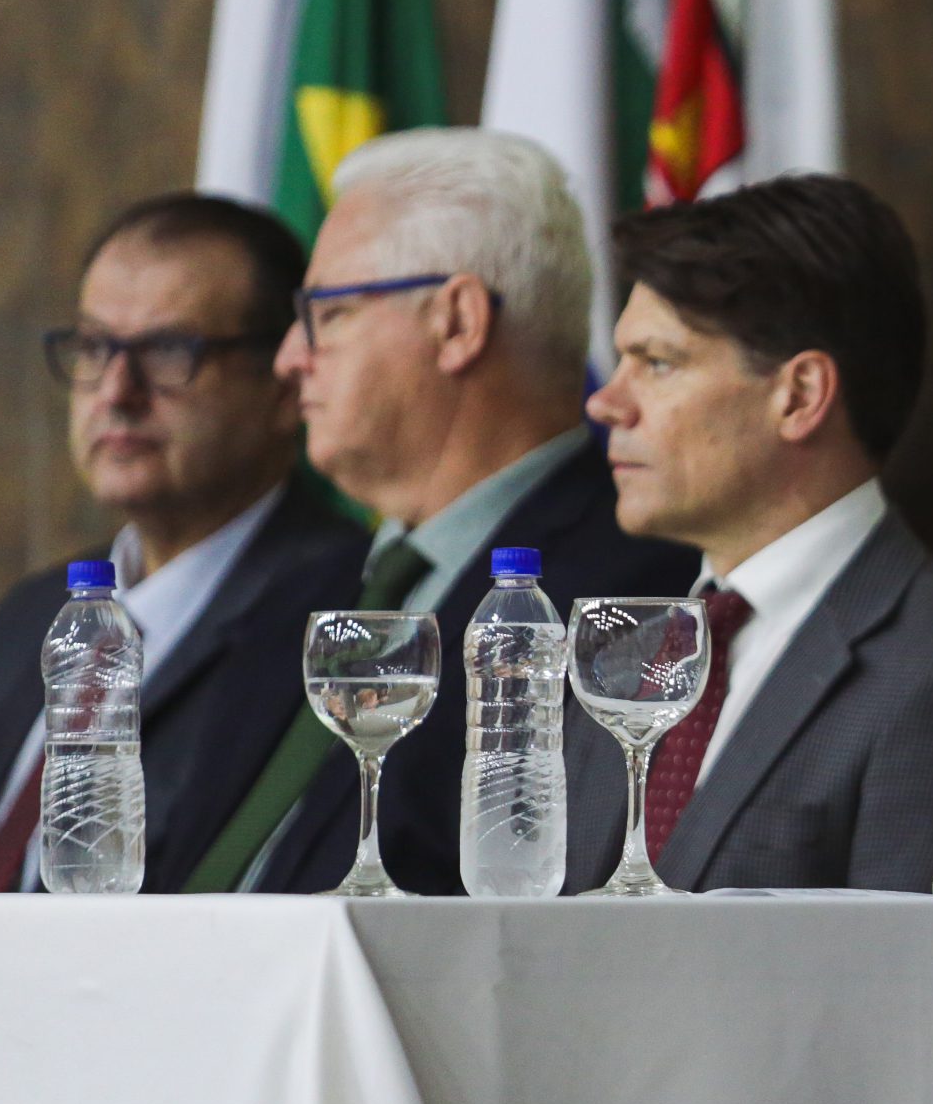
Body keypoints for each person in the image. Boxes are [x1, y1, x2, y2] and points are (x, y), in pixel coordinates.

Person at [188, 129, 698, 896]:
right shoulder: (299, 588)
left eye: (329, 311)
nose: (290, 356)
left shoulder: (629, 600)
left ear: (457, 322)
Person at [572, 173, 933, 891]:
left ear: (800, 395)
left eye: (658, 363)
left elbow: (911, 962)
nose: (606, 403)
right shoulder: (624, 654)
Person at [0, 194, 363, 893]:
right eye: (95, 347)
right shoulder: (34, 612)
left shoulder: (341, 618)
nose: (117, 391)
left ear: (282, 384)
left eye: (169, 349)